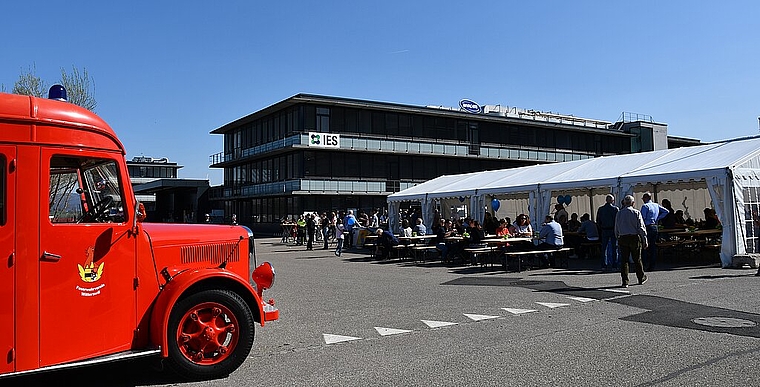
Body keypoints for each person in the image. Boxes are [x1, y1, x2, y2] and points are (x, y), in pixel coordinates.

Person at [615, 195, 648, 288]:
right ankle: (641, 277)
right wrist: (645, 239)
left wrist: (617, 236)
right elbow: (641, 227)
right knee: (637, 259)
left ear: (624, 203)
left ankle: (625, 281)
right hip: (634, 237)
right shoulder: (636, 212)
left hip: (623, 237)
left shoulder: (619, 213)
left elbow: (616, 227)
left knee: (624, 260)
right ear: (633, 203)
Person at [640, 192, 668, 271]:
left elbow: (642, 218)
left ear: (645, 198)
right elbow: (666, 211)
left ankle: (644, 264)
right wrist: (658, 218)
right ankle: (652, 265)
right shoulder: (656, 205)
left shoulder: (645, 206)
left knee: (645, 246)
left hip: (647, 226)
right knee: (653, 247)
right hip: (655, 226)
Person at [596, 194, 619, 271]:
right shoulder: (615, 209)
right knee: (614, 248)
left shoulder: (601, 209)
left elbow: (598, 220)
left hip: (604, 229)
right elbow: (617, 221)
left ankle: (603, 265)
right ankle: (614, 265)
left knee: (604, 248)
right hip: (612, 229)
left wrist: (601, 227)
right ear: (612, 200)